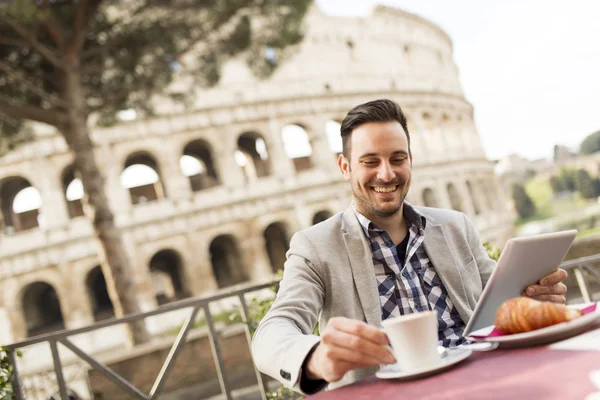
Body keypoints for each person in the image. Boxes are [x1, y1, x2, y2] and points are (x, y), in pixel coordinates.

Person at [251, 99, 568, 394]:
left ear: (410, 161)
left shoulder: (455, 225)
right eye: (370, 161)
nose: (386, 174)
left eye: (397, 159)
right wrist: (317, 357)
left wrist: (533, 298)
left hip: (487, 382)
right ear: (345, 167)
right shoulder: (316, 246)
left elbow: (499, 301)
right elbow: (272, 333)